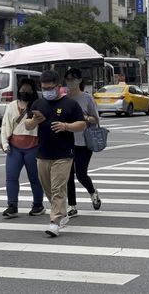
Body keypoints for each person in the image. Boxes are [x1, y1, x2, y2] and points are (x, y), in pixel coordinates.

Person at [24, 70, 86, 237]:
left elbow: (82, 124)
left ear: (59, 87)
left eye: (50, 88)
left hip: (64, 153)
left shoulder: (70, 104)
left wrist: (66, 126)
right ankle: (61, 213)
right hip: (43, 153)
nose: (47, 91)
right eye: (44, 88)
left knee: (58, 187)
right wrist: (34, 121)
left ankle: (54, 221)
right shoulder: (38, 104)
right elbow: (28, 125)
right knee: (48, 188)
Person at [0, 78, 45, 218]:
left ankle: (38, 204)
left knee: (34, 178)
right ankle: (12, 206)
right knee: (11, 177)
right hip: (15, 147)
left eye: (28, 90)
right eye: (23, 89)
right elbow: (6, 125)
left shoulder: (38, 105)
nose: (25, 92)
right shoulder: (12, 105)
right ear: (18, 90)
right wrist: (5, 143)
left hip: (34, 147)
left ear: (33, 91)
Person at [64, 68, 102, 218]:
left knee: (80, 173)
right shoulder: (64, 99)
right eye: (67, 79)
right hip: (67, 142)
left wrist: (84, 118)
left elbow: (96, 119)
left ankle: (93, 192)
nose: (69, 82)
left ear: (79, 80)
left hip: (84, 142)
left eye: (72, 79)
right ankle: (72, 206)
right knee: (67, 175)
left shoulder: (87, 98)